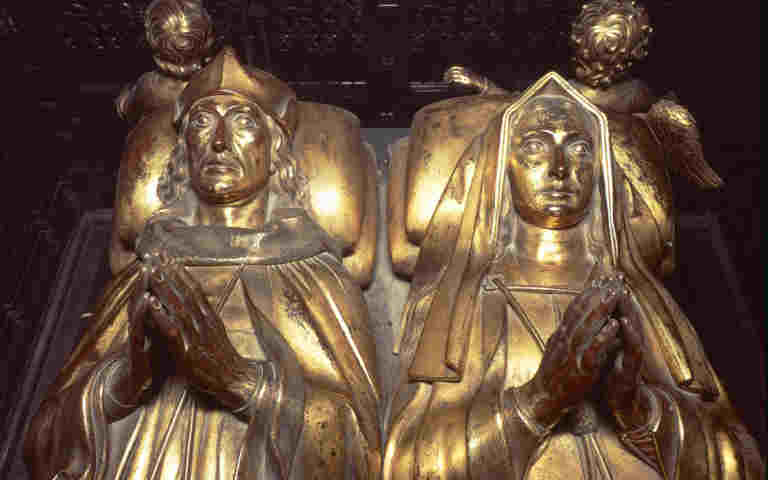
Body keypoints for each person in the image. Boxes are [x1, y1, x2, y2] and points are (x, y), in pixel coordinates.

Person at [383, 72, 763, 479]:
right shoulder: (461, 299)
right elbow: (414, 463)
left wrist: (637, 411)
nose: (559, 169)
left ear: (601, 173)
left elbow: (731, 457)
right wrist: (539, 400)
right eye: (534, 147)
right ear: (499, 167)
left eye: (579, 149)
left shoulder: (644, 299)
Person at [24, 47, 381, 480]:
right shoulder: (145, 273)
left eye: (245, 123)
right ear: (183, 152)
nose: (219, 142)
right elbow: (43, 439)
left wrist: (242, 383)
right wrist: (125, 382)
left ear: (275, 154)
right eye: (202, 121)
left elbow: (357, 442)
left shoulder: (313, 274)